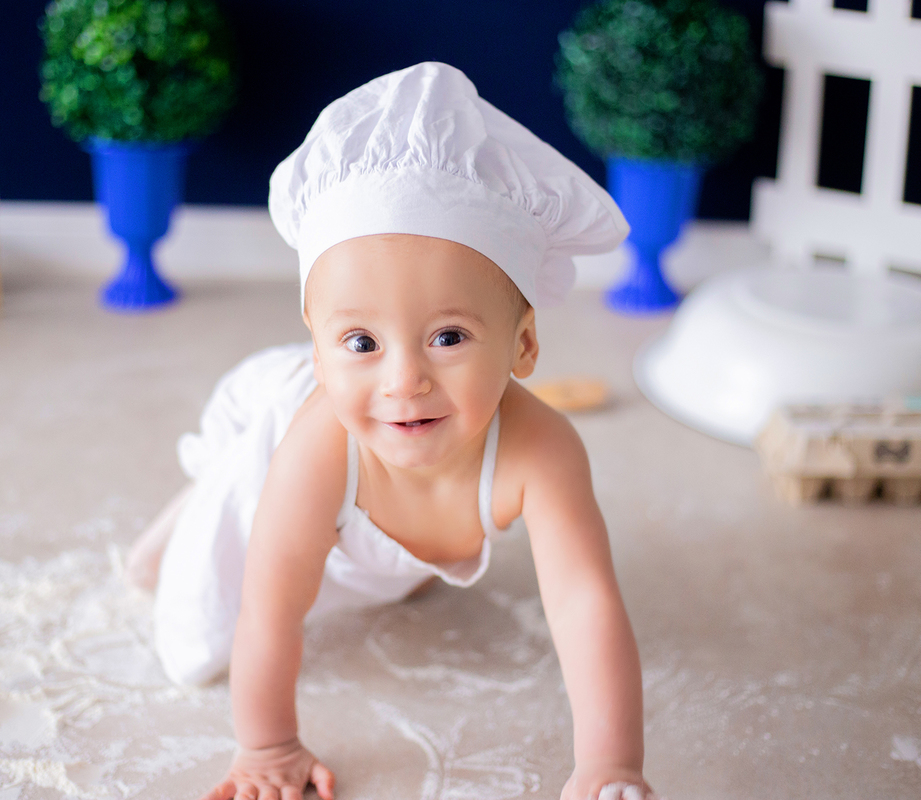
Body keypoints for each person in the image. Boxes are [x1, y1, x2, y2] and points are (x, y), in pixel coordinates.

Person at [126, 62, 661, 800]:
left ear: (524, 346)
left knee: (376, 567)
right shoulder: (317, 446)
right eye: (362, 340)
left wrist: (610, 764)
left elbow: (584, 603)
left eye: (447, 337)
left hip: (353, 477)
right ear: (320, 349)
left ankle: (385, 547)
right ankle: (180, 515)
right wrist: (269, 746)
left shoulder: (543, 451)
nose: (404, 380)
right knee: (190, 610)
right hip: (275, 434)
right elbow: (271, 605)